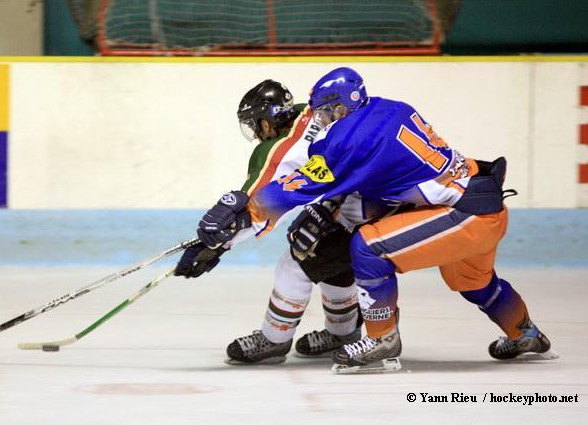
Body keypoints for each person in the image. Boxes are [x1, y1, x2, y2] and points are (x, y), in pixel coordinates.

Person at [194, 67, 556, 374]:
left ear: (341, 107)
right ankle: (526, 334)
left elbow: (293, 188)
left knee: (368, 247)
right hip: (479, 198)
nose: (319, 120)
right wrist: (332, 203)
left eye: (325, 112)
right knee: (474, 281)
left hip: (465, 216)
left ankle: (382, 340)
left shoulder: (349, 139)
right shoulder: (390, 108)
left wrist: (240, 218)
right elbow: (386, 177)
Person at [175, 80, 388, 364]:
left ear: (266, 123)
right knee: (327, 248)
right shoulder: (308, 111)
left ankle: (274, 340)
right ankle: (343, 332)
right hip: (383, 196)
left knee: (297, 261)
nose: (255, 133)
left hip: (360, 206)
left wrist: (216, 245)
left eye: (254, 125)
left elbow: (257, 206)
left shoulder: (275, 151)